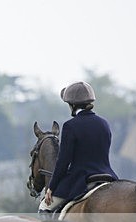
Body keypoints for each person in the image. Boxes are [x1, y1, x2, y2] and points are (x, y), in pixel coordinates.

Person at [40, 81, 119, 215]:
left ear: (72, 105)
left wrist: (51, 187)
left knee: (45, 208)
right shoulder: (104, 124)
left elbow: (63, 162)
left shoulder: (70, 126)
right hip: (108, 176)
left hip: (80, 180)